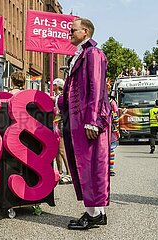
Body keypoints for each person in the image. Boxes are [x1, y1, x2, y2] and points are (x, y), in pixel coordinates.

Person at [57, 18, 111, 230]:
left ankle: (93, 214)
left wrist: (93, 120)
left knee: (88, 166)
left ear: (85, 31)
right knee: (85, 165)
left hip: (87, 120)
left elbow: (96, 87)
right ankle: (99, 212)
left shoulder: (93, 54)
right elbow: (72, 90)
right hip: (77, 119)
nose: (69, 33)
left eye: (73, 30)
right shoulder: (80, 54)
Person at [52, 78, 71, 184]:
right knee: (57, 150)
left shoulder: (61, 97)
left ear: (58, 86)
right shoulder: (58, 97)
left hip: (61, 123)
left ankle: (69, 173)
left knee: (61, 149)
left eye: (54, 84)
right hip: (57, 123)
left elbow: (61, 112)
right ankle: (59, 172)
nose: (52, 86)